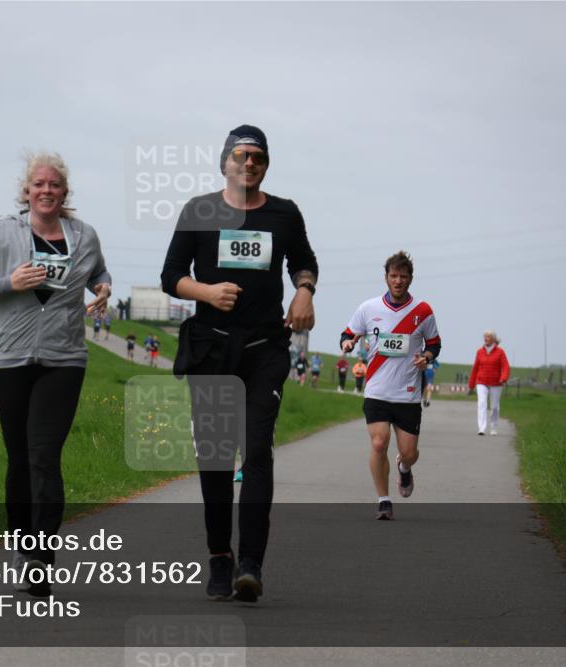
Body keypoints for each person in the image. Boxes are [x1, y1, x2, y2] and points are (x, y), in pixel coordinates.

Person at [161, 124, 318, 602]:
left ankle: (251, 562)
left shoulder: (284, 213)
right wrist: (206, 291)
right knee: (213, 453)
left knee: (255, 451)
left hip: (264, 349)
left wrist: (305, 292)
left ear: (265, 165)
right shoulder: (199, 211)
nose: (248, 163)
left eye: (257, 157)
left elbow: (303, 262)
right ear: (224, 161)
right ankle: (219, 557)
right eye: (240, 155)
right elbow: (171, 277)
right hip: (211, 347)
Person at [0, 152, 111, 595]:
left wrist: (103, 286)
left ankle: (41, 561)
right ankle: (23, 547)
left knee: (44, 455)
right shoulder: (2, 231)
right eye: (38, 184)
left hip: (64, 360)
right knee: (19, 460)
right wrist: (10, 283)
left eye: (55, 185)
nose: (46, 191)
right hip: (9, 361)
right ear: (26, 191)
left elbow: (97, 270)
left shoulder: (84, 235)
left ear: (66, 193)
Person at [340, 251, 441, 521]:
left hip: (407, 394)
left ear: (410, 279)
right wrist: (347, 343)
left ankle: (404, 468)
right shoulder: (368, 308)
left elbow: (434, 344)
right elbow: (348, 332)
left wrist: (427, 357)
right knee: (378, 442)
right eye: (393, 276)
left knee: (408, 452)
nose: (398, 281)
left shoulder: (423, 311)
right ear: (386, 277)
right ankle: (384, 500)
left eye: (403, 277)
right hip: (376, 390)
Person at [468, 330, 509, 435]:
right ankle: (481, 428)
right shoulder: (479, 352)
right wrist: (471, 384)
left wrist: (503, 378)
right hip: (481, 381)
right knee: (482, 403)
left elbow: (505, 367)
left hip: (496, 382)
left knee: (494, 406)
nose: (486, 338)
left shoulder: (500, 352)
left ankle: (493, 427)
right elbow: (475, 368)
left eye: (488, 336)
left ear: (493, 339)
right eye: (485, 336)